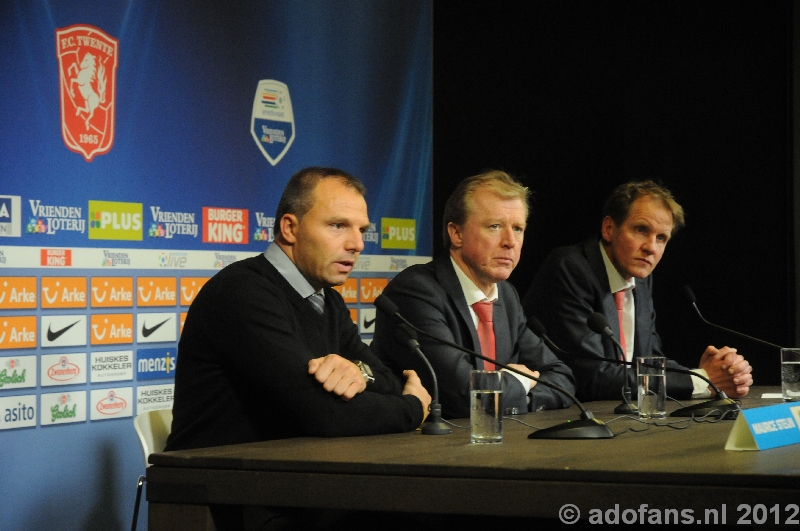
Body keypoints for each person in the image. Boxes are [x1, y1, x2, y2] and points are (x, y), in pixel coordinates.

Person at [166, 167, 430, 452]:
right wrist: (413, 408)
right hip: (213, 483)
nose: (357, 244)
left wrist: (358, 372)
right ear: (290, 228)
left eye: (362, 230)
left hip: (286, 475)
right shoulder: (241, 292)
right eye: (338, 226)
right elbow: (325, 414)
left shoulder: (327, 300)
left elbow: (389, 380)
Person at [523, 180, 753, 402]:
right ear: (609, 228)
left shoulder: (640, 278)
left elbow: (650, 363)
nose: (651, 248)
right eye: (641, 230)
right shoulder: (571, 268)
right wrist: (703, 381)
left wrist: (711, 375)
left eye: (661, 238)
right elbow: (592, 376)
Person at [372, 170, 575, 419]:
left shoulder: (506, 297)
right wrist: (522, 384)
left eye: (518, 228)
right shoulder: (416, 291)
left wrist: (521, 396)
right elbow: (461, 395)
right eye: (495, 226)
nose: (510, 241)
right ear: (456, 234)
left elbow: (561, 378)